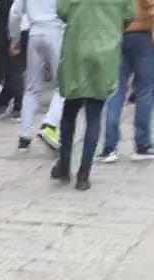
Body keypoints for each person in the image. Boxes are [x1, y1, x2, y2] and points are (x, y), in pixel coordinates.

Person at [52, 0, 133, 182]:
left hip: (77, 48)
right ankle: (84, 174)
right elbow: (129, 15)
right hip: (106, 51)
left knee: (70, 110)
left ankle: (64, 164)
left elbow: (62, 10)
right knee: (94, 115)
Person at [101, 0, 154, 156]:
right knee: (145, 91)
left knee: (116, 92)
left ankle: (110, 146)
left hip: (117, 36)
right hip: (142, 38)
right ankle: (142, 143)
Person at [10, 0, 66, 144]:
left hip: (34, 32)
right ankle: (49, 124)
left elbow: (15, 13)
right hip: (56, 31)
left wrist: (15, 37)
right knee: (63, 86)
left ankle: (25, 135)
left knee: (31, 88)